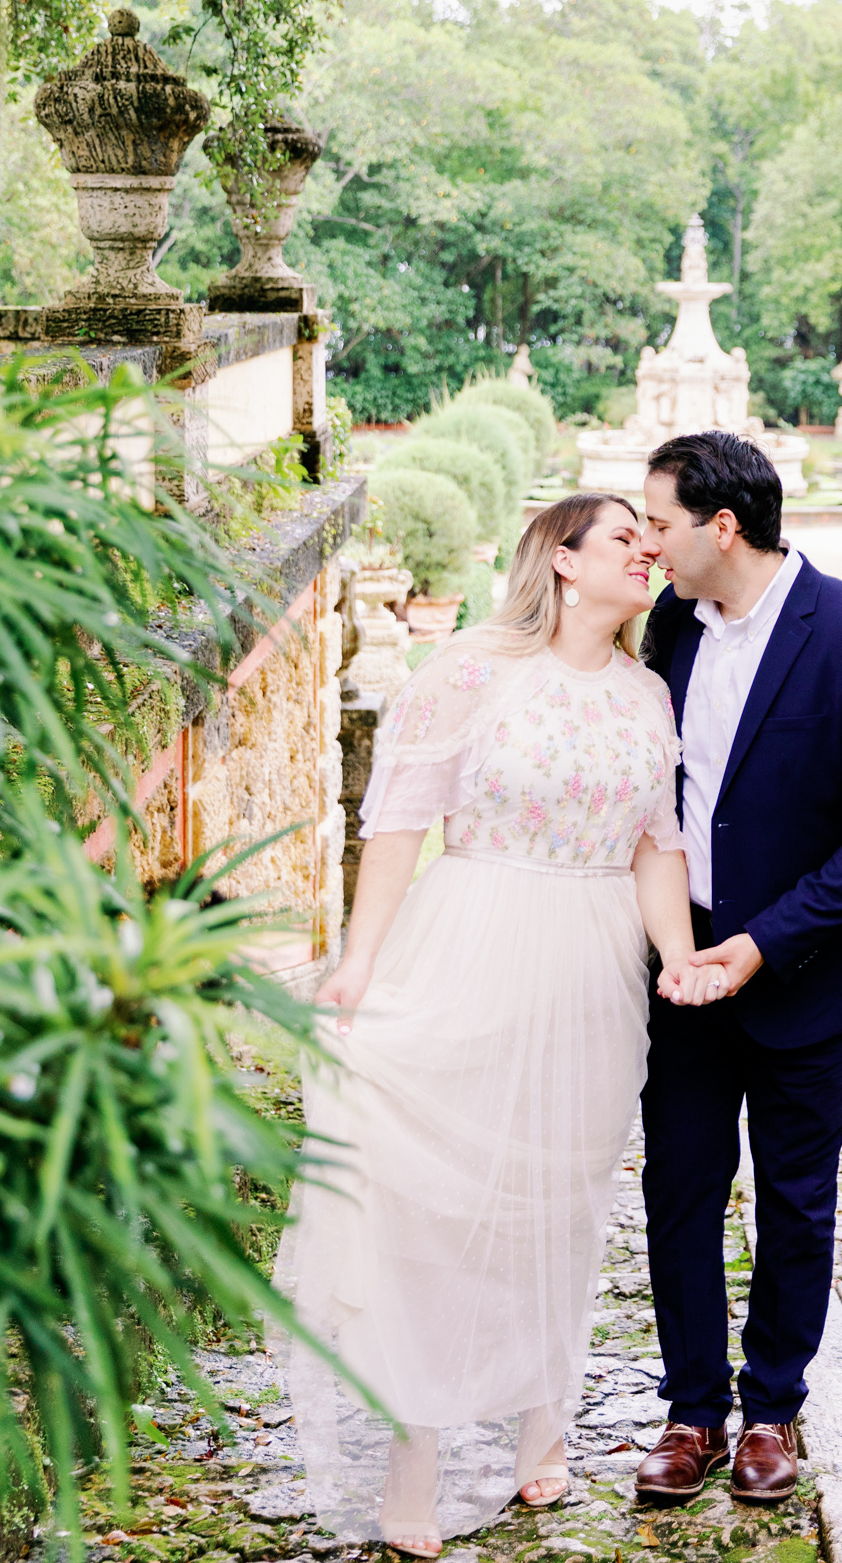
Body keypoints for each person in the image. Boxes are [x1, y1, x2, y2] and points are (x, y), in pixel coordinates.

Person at [275, 495, 723, 1554]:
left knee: (557, 1202)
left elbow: (656, 844)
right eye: (625, 538)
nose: (647, 551)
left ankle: (542, 1424)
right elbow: (396, 824)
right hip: (474, 934)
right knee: (440, 1207)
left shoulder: (647, 696)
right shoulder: (469, 671)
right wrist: (359, 962)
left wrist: (677, 955)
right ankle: (417, 1449)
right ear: (563, 561)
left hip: (591, 966)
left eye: (650, 539)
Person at [634, 431, 842, 1505]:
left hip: (804, 970)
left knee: (797, 1199)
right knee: (678, 1188)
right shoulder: (670, 625)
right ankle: (691, 1410)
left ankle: (772, 1412)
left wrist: (762, 943)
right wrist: (688, 946)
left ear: (722, 526)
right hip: (682, 965)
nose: (647, 541)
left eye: (659, 521)